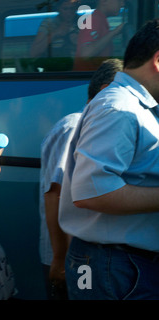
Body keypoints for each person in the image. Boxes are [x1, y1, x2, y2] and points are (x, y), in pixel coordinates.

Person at [58, 19, 159, 300]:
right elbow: (93, 192)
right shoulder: (118, 107)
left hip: (120, 266)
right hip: (115, 267)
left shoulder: (138, 107)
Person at [39, 58, 122, 300]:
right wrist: (59, 258)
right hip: (68, 257)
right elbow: (55, 193)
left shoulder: (97, 127)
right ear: (106, 91)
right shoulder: (75, 126)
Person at [74, 0, 125, 71]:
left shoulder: (101, 20)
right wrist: (114, 32)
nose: (122, 4)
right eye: (120, 1)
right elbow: (86, 53)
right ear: (104, 1)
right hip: (86, 78)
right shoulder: (93, 20)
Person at [30, 0, 80, 71]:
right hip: (54, 72)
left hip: (78, 72)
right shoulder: (48, 24)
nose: (69, 12)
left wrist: (80, 41)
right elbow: (34, 53)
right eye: (65, 9)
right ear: (58, 8)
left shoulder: (84, 25)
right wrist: (55, 34)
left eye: (72, 9)